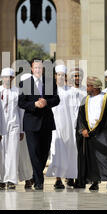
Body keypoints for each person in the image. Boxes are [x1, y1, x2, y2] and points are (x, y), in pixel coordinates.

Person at [18, 59, 60, 190]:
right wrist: (34, 104)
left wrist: (46, 102)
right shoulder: (24, 84)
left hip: (46, 122)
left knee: (44, 152)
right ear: (31, 69)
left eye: (40, 67)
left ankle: (37, 176)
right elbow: (21, 102)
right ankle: (38, 179)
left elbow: (56, 99)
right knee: (33, 151)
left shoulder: (50, 82)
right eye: (35, 67)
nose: (38, 70)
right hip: (31, 123)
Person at [74, 77, 107, 191]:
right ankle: (95, 181)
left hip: (105, 133)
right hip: (89, 134)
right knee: (92, 158)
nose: (87, 88)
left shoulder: (106, 98)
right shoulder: (85, 99)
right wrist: (82, 129)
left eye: (88, 86)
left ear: (94, 87)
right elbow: (80, 117)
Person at [45, 65, 78, 189]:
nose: (60, 77)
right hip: (55, 126)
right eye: (58, 75)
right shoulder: (50, 91)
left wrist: (75, 126)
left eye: (62, 75)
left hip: (69, 126)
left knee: (70, 150)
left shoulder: (72, 91)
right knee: (56, 150)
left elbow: (75, 110)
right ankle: (58, 179)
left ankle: (70, 177)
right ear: (55, 76)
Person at [0, 68, 24, 189]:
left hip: (14, 125)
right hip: (0, 126)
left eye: (10, 77)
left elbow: (21, 112)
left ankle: (11, 179)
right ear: (2, 78)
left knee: (12, 152)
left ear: (13, 78)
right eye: (5, 77)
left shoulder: (18, 91)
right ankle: (1, 179)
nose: (8, 79)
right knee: (0, 152)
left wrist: (22, 130)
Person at [17, 73, 34, 189]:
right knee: (21, 155)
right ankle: (27, 178)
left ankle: (30, 178)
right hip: (20, 130)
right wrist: (21, 130)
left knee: (30, 155)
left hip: (31, 129)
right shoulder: (18, 94)